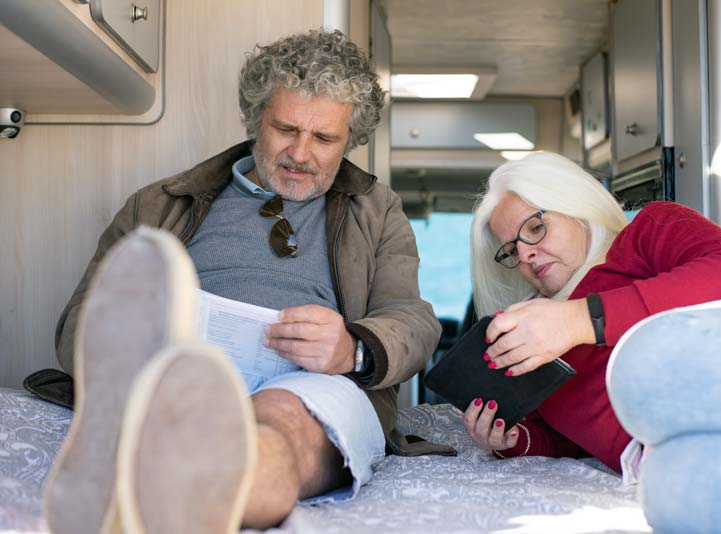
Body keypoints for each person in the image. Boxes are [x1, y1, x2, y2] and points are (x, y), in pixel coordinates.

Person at [44, 29, 442, 532]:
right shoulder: (159, 204)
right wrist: (142, 340)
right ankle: (155, 467)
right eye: (285, 129)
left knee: (282, 423)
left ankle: (158, 500)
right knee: (173, 397)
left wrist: (352, 349)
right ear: (257, 119)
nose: (300, 153)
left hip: (310, 383)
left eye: (324, 139)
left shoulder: (377, 211)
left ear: (351, 140)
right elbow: (77, 323)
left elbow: (413, 321)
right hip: (177, 376)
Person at [461, 150, 721, 476]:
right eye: (512, 250)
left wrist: (582, 320)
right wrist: (512, 440)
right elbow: (566, 439)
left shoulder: (647, 233)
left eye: (536, 228)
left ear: (576, 209)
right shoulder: (525, 328)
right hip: (669, 470)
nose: (525, 254)